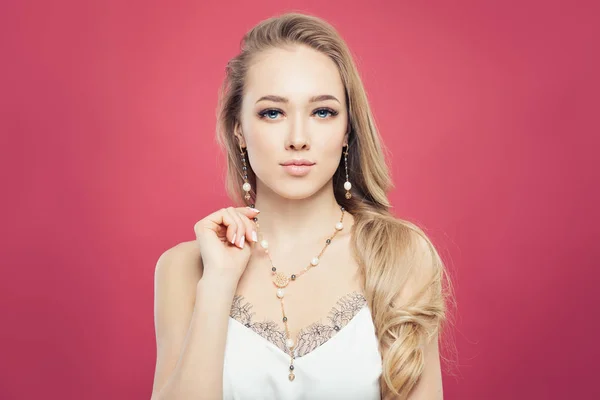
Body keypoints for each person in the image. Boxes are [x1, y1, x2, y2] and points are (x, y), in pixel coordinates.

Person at [151, 12, 452, 400]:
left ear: (347, 130)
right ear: (238, 129)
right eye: (272, 112)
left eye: (322, 112)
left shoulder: (400, 257)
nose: (298, 138)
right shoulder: (184, 268)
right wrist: (218, 284)